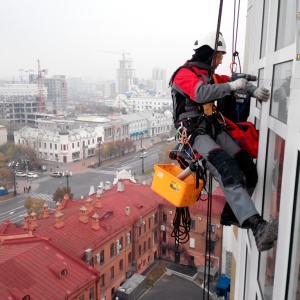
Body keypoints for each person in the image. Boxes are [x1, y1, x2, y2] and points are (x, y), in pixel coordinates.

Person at [169, 31, 278, 252]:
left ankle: (233, 214)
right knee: (229, 172)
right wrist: (232, 87)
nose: (220, 62)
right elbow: (201, 94)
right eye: (218, 56)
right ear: (208, 53)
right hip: (194, 136)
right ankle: (258, 227)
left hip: (211, 128)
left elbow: (231, 81)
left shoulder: (207, 75)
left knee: (248, 169)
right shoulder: (184, 75)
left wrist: (252, 88)